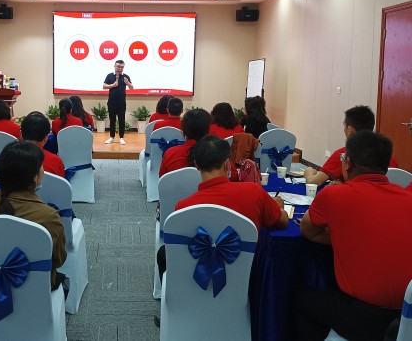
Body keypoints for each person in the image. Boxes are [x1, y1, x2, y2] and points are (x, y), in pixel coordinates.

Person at [155, 135, 288, 324]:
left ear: (196, 166)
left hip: (197, 277)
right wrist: (278, 207)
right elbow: (282, 222)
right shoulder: (254, 193)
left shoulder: (183, 207)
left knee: (164, 253)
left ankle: (173, 308)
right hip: (245, 278)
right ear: (227, 164)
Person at [295, 131, 412, 341]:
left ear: (348, 164)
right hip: (406, 317)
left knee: (300, 299)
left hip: (364, 318)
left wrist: (342, 235)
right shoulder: (408, 198)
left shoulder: (334, 194)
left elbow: (308, 231)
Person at [0, 141, 67, 290]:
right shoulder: (48, 216)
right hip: (35, 290)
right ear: (35, 177)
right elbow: (59, 260)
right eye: (41, 166)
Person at [304, 105, 398, 185]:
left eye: (344, 126)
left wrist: (309, 171)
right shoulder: (388, 158)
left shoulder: (345, 154)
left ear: (350, 130)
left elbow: (313, 182)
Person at [159, 108, 210, 177]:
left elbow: (162, 179)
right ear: (208, 129)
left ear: (183, 130)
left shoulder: (170, 154)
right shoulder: (215, 155)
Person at [21, 112, 65, 178]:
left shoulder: (9, 159)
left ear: (21, 135)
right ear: (46, 138)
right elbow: (62, 183)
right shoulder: (55, 161)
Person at [103, 59, 134, 145]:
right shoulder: (109, 76)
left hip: (121, 103)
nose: (120, 68)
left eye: (122, 67)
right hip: (111, 102)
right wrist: (112, 85)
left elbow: (132, 88)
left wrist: (127, 83)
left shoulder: (126, 77)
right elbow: (104, 86)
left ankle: (121, 138)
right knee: (112, 120)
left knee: (121, 120)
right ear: (114, 66)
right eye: (118, 66)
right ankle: (112, 137)